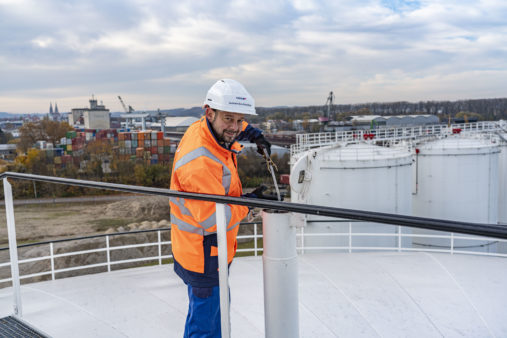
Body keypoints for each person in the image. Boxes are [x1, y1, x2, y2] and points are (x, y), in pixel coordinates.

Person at [169, 79, 271, 337]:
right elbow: (215, 217)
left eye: (240, 120)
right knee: (205, 325)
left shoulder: (203, 129)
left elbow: (233, 126)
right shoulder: (199, 161)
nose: (235, 128)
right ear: (209, 112)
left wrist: (255, 134)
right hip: (204, 252)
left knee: (213, 312)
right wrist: (249, 203)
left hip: (204, 247)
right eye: (229, 119)